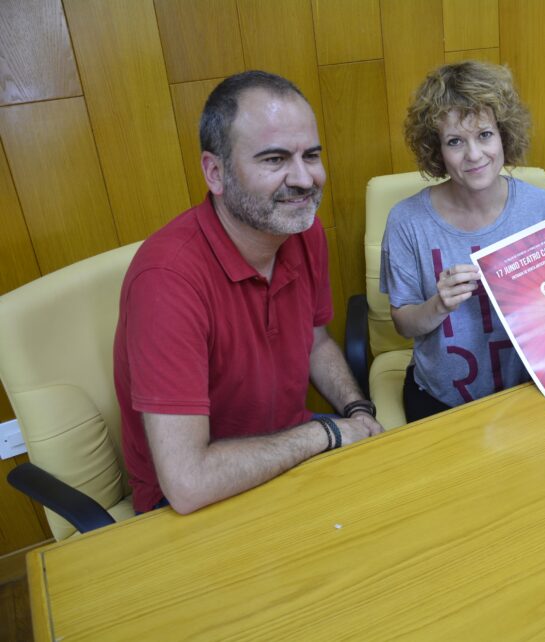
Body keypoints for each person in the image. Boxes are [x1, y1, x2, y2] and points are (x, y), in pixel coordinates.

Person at [114, 71, 383, 515]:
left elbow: (315, 341)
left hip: (288, 452)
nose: (303, 180)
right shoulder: (166, 279)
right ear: (215, 173)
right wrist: (327, 434)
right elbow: (187, 482)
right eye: (275, 160)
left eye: (311, 155)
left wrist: (356, 410)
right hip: (192, 501)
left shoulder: (303, 230)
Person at [380, 61, 545, 422]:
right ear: (437, 150)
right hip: (439, 401)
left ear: (503, 135)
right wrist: (439, 304)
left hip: (532, 393)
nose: (474, 155)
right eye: (455, 141)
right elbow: (404, 323)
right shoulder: (407, 221)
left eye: (484, 135)